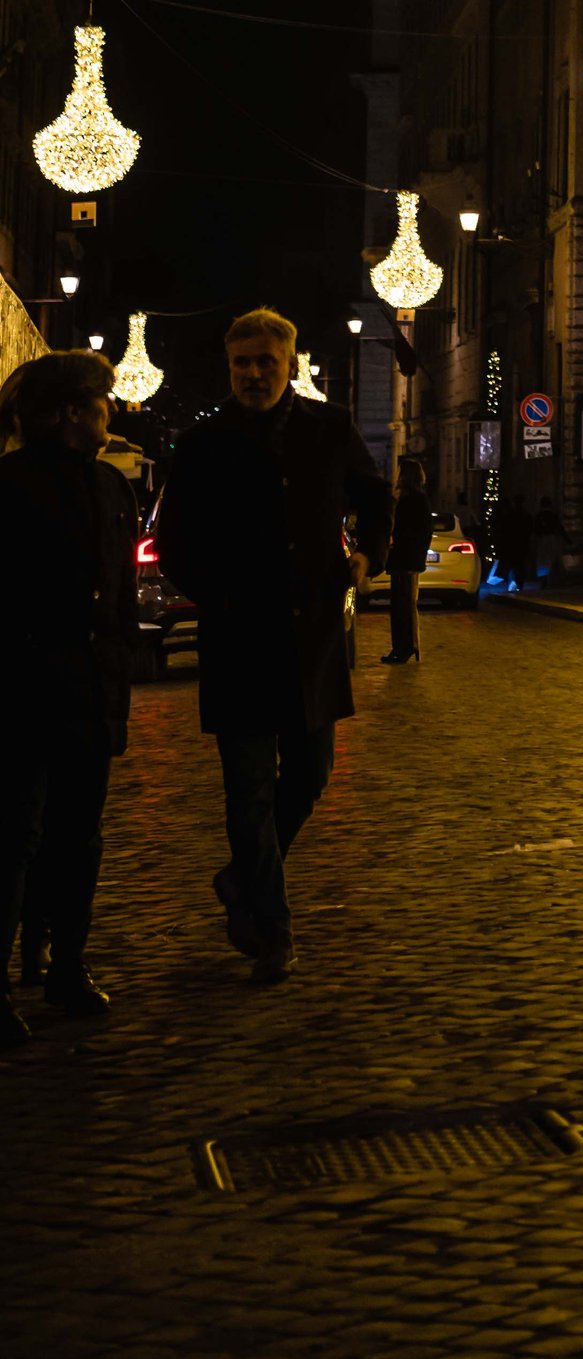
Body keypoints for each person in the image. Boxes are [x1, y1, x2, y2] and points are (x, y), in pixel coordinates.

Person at [155, 306, 389, 984]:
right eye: (242, 363)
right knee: (249, 791)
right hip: (238, 638)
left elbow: (376, 500)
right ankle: (273, 927)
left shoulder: (328, 428)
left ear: (290, 363)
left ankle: (241, 878)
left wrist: (365, 558)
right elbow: (173, 542)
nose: (254, 374)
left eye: (266, 362)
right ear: (229, 368)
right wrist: (218, 595)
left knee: (311, 773)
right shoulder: (205, 443)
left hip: (312, 634)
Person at [0, 349, 139, 1036]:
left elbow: (116, 600)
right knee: (14, 834)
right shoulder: (11, 487)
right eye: (100, 402)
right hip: (23, 690)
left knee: (79, 836)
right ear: (69, 414)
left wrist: (117, 684)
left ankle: (66, 965)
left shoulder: (113, 490)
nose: (109, 413)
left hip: (88, 691)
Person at [382, 454, 432, 664]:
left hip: (406, 560)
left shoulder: (413, 499)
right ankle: (402, 647)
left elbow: (418, 531)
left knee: (404, 605)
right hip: (405, 558)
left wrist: (398, 542)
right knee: (401, 605)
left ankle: (405, 647)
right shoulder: (412, 498)